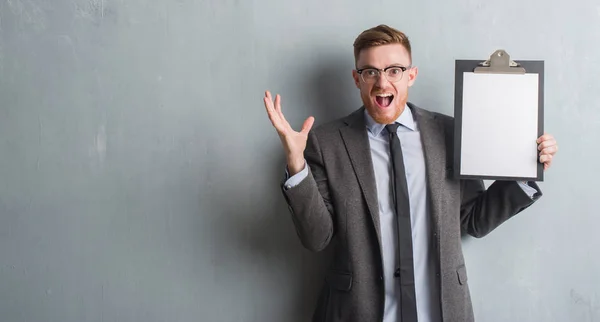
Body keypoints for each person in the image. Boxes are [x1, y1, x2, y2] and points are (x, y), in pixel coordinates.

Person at [262, 24, 558, 322]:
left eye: (394, 70)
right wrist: (296, 162)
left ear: (411, 75)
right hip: (357, 313)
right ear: (357, 78)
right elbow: (317, 237)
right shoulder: (327, 142)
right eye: (370, 72)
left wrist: (524, 169)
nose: (382, 82)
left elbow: (473, 220)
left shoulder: (451, 132)